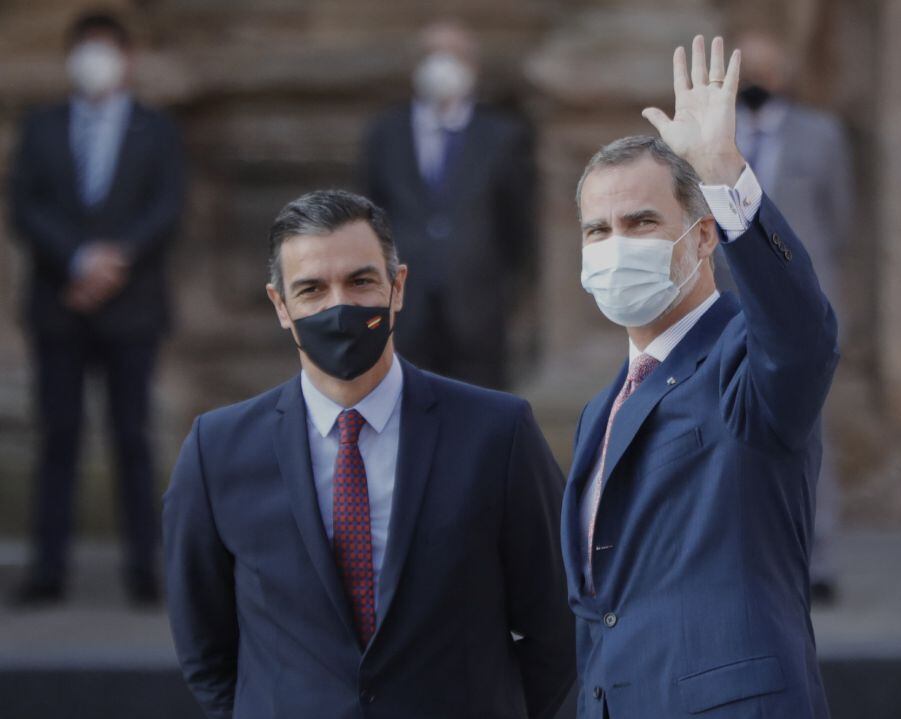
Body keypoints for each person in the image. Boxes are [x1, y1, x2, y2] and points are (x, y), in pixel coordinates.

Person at [163, 190, 574, 718]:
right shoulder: (217, 450)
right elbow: (203, 646)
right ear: (281, 306)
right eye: (312, 289)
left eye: (360, 281)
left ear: (397, 286)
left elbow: (557, 623)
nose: (340, 307)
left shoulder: (496, 433)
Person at [564, 36, 838, 718]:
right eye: (598, 230)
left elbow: (803, 332)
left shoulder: (743, 357)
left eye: (641, 221)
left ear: (704, 235)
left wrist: (722, 169)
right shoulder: (602, 407)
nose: (616, 244)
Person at [6, 11, 185, 606]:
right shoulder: (42, 126)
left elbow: (166, 206)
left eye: (106, 51)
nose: (96, 61)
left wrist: (115, 260)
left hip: (132, 310)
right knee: (58, 436)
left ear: (127, 60)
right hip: (60, 304)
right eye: (86, 50)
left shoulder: (155, 129)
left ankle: (144, 566)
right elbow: (25, 207)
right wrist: (79, 260)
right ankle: (48, 569)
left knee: (132, 436)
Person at [733, 29, 855, 603]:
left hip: (802, 305)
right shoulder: (714, 137)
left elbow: (841, 221)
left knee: (808, 431)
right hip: (731, 304)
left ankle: (817, 559)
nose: (757, 80)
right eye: (746, 68)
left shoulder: (821, 135)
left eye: (765, 68)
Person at [360, 20, 537, 389]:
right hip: (404, 302)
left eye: (454, 55)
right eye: (432, 55)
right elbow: (369, 212)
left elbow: (517, 221)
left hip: (478, 303)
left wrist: (509, 285)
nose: (442, 66)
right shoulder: (386, 132)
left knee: (479, 402)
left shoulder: (503, 135)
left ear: (474, 67)